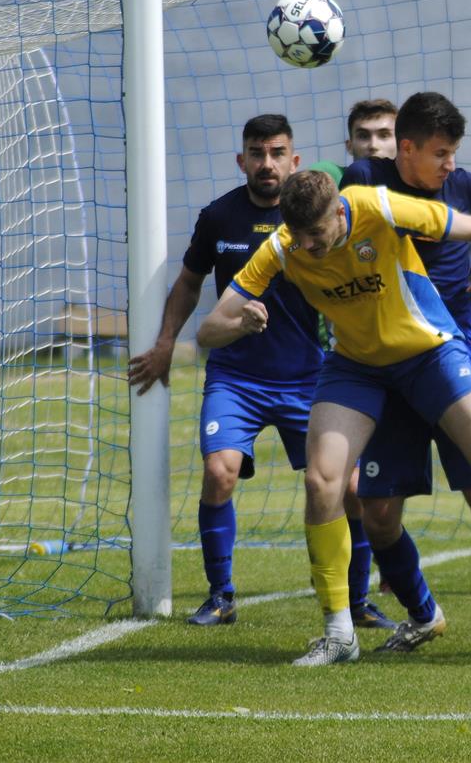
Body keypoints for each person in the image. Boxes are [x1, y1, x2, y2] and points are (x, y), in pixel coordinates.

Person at [200, 170, 471, 667]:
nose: (308, 247)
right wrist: (239, 322)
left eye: (317, 235)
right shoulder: (283, 246)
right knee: (322, 481)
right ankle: (339, 633)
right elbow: (209, 329)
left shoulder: (377, 207)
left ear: (338, 213)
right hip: (357, 368)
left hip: (429, 354)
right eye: (298, 234)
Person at [126, 115, 392, 629]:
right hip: (236, 378)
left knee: (352, 487)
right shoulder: (219, 217)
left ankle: (356, 602)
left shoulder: (320, 219)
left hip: (311, 378)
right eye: (256, 153)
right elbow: (187, 284)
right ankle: (221, 595)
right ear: (241, 160)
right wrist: (165, 345)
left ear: (295, 160)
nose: (266, 163)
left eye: (276, 153)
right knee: (219, 471)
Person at [342, 92, 471, 657]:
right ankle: (422, 614)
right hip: (386, 362)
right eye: (441, 152)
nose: (451, 164)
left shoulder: (464, 187)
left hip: (453, 352)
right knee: (378, 513)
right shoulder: (364, 179)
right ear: (405, 149)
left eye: (454, 152)